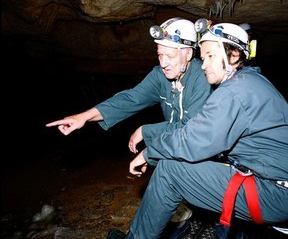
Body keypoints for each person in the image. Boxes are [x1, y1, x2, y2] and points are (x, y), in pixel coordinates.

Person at [108, 20, 288, 239]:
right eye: (203, 58)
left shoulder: (234, 91)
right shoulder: (251, 81)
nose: (204, 65)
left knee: (169, 171)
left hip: (274, 194)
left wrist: (149, 152)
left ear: (233, 55)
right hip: (280, 186)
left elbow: (194, 140)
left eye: (211, 56)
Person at [46, 17, 213, 237]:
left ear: (188, 54)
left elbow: (190, 130)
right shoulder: (161, 75)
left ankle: (195, 221)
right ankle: (166, 227)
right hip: (177, 148)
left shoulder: (203, 77)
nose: (163, 63)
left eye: (170, 56)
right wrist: (85, 117)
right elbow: (131, 99)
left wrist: (146, 132)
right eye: (160, 55)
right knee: (164, 176)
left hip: (207, 154)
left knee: (164, 174)